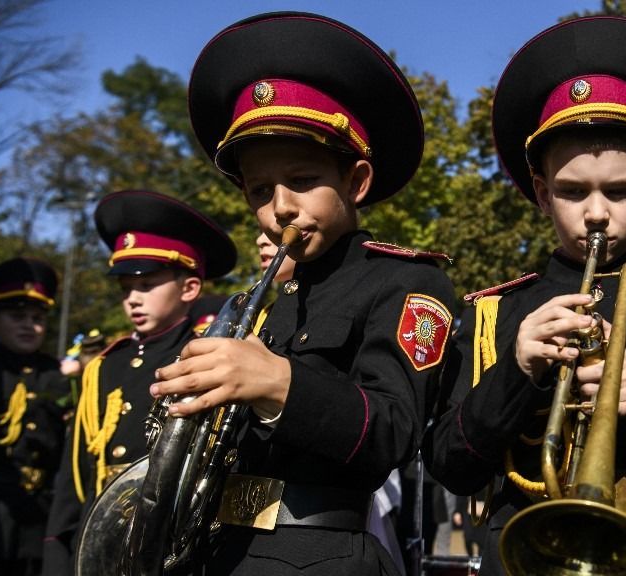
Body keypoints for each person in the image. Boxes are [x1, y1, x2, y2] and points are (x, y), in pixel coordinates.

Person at [422, 16, 626, 576]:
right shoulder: (492, 314)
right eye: (573, 191)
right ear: (541, 192)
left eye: (620, 190)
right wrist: (515, 371)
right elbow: (446, 465)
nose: (597, 213)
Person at [152, 12, 456, 576]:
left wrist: (277, 383)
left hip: (320, 556)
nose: (280, 207)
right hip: (214, 553)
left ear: (356, 181)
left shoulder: (407, 282)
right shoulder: (251, 303)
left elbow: (395, 431)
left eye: (303, 179)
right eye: (261, 189)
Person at [41, 189, 237, 575]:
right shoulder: (103, 367)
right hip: (100, 535)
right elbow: (73, 476)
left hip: (168, 541)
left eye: (146, 285)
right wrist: (57, 549)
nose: (132, 298)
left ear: (189, 288)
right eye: (125, 287)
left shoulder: (205, 357)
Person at [0, 257, 70, 576]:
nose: (29, 325)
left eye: (38, 318)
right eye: (17, 316)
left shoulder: (58, 377)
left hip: (38, 517)